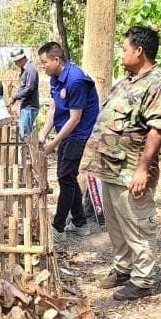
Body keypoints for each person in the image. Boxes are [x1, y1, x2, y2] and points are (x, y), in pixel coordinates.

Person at [87, 25, 161, 301]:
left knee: (137, 224)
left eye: (124, 49)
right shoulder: (127, 81)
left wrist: (142, 170)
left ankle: (142, 278)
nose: (121, 54)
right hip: (111, 168)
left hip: (131, 169)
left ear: (139, 51)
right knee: (116, 224)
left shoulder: (158, 84)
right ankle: (123, 268)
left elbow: (156, 130)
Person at [39, 42, 100, 236]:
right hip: (65, 132)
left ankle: (58, 227)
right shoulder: (55, 79)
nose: (43, 66)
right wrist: (43, 133)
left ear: (57, 60)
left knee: (65, 177)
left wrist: (53, 143)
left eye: (44, 62)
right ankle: (80, 223)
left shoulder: (75, 80)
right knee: (67, 177)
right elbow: (54, 108)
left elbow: (75, 119)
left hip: (78, 133)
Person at [8, 48, 40, 141]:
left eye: (16, 61)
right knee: (23, 134)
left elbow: (29, 89)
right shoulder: (25, 69)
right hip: (25, 106)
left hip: (29, 107)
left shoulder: (31, 70)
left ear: (21, 59)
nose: (15, 64)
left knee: (24, 136)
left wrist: (15, 97)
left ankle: (25, 155)